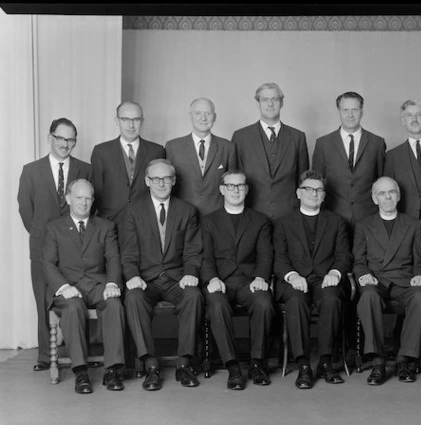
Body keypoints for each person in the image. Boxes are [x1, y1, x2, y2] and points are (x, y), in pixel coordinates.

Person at [18, 118, 93, 372]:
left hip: (78, 247)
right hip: (41, 246)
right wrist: (46, 238)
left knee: (79, 295)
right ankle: (43, 355)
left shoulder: (85, 169)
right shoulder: (31, 170)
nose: (65, 144)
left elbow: (92, 207)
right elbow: (26, 210)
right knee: (43, 298)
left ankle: (82, 352)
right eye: (61, 138)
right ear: (50, 138)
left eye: (71, 139)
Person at [121, 159, 203, 391]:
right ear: (147, 181)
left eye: (166, 178)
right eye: (155, 179)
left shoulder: (187, 211)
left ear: (173, 181)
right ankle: (150, 366)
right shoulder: (132, 211)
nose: (161, 183)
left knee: (194, 295)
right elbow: (128, 253)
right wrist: (132, 275)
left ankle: (185, 364)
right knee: (133, 297)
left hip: (177, 278)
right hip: (146, 279)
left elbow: (193, 251)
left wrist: (190, 273)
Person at [42, 179, 126, 394]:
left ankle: (112, 370)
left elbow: (114, 259)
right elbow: (48, 264)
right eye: (79, 198)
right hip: (68, 286)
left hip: (97, 284)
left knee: (114, 304)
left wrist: (111, 283)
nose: (84, 203)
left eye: (88, 198)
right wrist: (63, 286)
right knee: (72, 308)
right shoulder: (54, 228)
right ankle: (81, 372)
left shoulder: (106, 226)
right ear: (68, 198)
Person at [274, 171, 352, 389]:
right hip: (294, 280)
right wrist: (292, 276)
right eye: (308, 189)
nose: (314, 193)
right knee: (297, 300)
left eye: (318, 190)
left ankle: (326, 362)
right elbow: (279, 258)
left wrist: (335, 273)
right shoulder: (283, 222)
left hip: (325, 279)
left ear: (324, 195)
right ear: (299, 192)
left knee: (331, 299)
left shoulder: (337, 222)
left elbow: (344, 255)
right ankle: (304, 365)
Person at [200, 171, 275, 390]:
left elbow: (265, 255)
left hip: (248, 280)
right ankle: (233, 367)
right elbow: (205, 256)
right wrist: (212, 278)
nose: (235, 190)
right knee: (216, 304)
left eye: (240, 186)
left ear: (247, 189)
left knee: (263, 303)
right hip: (220, 280)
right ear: (222, 189)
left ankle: (257, 363)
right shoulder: (208, 221)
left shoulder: (260, 220)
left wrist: (261, 277)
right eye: (230, 186)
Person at [353, 176, 421, 386]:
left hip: (404, 281)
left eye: (391, 192)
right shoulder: (364, 225)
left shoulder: (413, 224)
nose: (387, 197)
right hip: (375, 280)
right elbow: (358, 260)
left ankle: (404, 359)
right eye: (382, 193)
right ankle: (378, 362)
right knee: (368, 296)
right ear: (374, 198)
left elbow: (420, 261)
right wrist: (363, 275)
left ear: (398, 195)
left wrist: (419, 276)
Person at [231, 82, 309, 221]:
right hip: (251, 214)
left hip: (289, 215)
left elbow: (303, 181)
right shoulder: (240, 137)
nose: (270, 104)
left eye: (275, 99)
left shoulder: (298, 137)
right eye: (265, 100)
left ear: (282, 103)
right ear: (258, 103)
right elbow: (234, 179)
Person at [312, 91, 386, 229]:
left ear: (362, 111)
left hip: (368, 216)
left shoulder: (377, 143)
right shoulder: (323, 144)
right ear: (338, 112)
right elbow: (317, 183)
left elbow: (381, 180)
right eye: (345, 110)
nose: (350, 114)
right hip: (333, 215)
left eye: (355, 110)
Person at [91, 101, 165, 230]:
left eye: (136, 119)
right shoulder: (101, 151)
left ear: (142, 121)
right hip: (109, 223)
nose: (131, 125)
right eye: (125, 119)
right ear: (117, 121)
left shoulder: (156, 151)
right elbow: (96, 190)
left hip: (145, 223)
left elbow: (161, 188)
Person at [166, 97, 238, 217]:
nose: (203, 118)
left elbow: (232, 185)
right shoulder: (173, 147)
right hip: (182, 216)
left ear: (214, 117)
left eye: (208, 113)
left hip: (217, 216)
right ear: (190, 116)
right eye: (198, 113)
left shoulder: (227, 147)